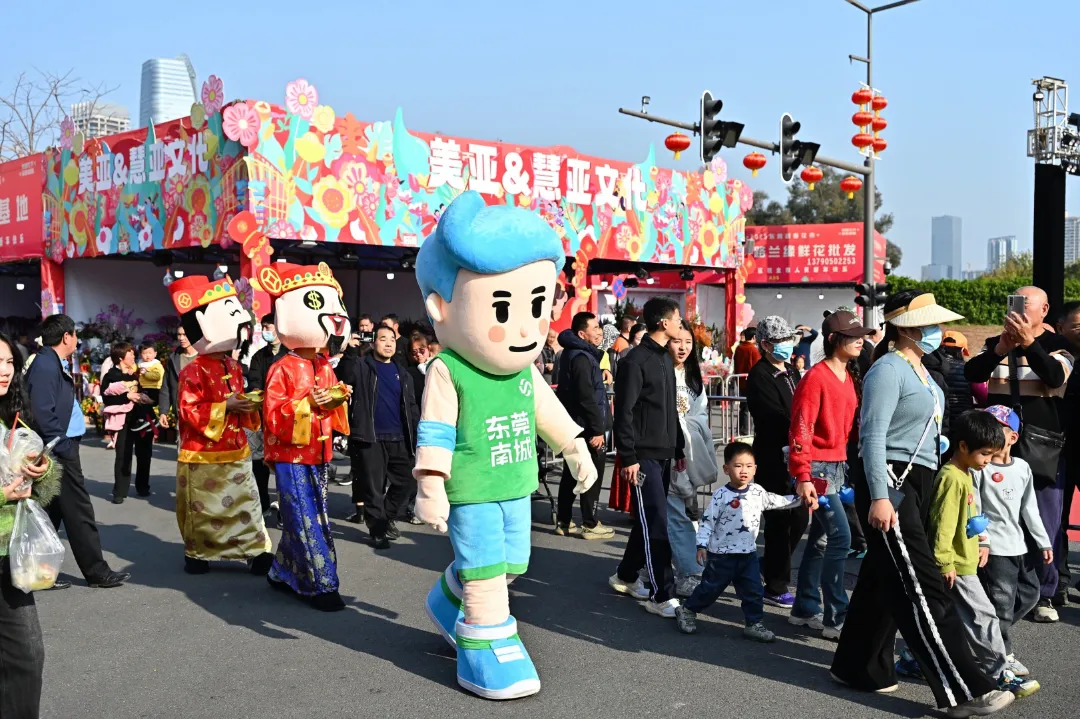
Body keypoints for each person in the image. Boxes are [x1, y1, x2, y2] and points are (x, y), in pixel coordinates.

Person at [411, 191, 597, 699]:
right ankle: (485, 641)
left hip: (516, 483)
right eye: (501, 307)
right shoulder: (449, 369)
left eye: (536, 305)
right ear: (441, 306)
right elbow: (435, 429)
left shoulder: (522, 370)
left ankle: (450, 598)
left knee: (513, 563)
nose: (523, 326)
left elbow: (547, 411)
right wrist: (430, 485)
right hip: (472, 489)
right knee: (487, 572)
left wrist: (574, 446)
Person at [831, 291, 1013, 717]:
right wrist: (879, 496)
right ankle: (966, 690)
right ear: (907, 328)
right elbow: (872, 436)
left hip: (919, 480)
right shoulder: (887, 369)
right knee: (923, 586)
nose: (936, 331)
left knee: (882, 579)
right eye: (929, 324)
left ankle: (857, 666)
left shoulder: (923, 371)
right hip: (893, 482)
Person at [963, 286, 1072, 621]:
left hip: (1043, 446)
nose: (1020, 311)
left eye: (1027, 305)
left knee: (1044, 517)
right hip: (997, 446)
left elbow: (1054, 376)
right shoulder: (996, 343)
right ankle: (999, 587)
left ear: (1044, 310)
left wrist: (1029, 344)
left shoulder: (1060, 346)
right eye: (1015, 304)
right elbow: (972, 374)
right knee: (996, 513)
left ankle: (1044, 594)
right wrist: (1000, 349)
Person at [928, 410, 1039, 698]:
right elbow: (942, 524)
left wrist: (979, 538)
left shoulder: (966, 473)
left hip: (963, 560)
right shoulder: (952, 477)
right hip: (956, 564)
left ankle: (914, 660)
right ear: (963, 446)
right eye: (985, 454)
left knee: (954, 618)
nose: (988, 460)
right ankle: (999, 674)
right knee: (984, 616)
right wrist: (945, 561)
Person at [167, 275, 273, 576]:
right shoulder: (192, 370)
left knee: (245, 504)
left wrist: (247, 406)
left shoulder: (234, 366)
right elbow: (188, 410)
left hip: (236, 448)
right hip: (202, 452)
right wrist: (226, 406)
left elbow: (236, 404)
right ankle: (198, 552)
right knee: (203, 509)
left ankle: (254, 550)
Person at [261, 261, 351, 612]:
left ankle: (282, 570)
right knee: (304, 517)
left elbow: (329, 403)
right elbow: (273, 414)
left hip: (320, 452)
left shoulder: (324, 365)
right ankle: (321, 584)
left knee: (311, 514)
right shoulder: (281, 367)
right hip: (292, 456)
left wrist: (337, 397)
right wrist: (307, 403)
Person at [26, 314, 129, 590]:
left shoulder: (52, 361)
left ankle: (37, 572)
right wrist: (62, 445)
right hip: (59, 449)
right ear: (66, 337)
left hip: (60, 445)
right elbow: (42, 411)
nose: (77, 340)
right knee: (79, 510)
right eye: (75, 335)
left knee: (50, 513)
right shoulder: (45, 365)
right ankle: (97, 572)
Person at [787, 310, 873, 640]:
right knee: (841, 538)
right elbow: (801, 427)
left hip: (837, 466)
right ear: (835, 339)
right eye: (854, 336)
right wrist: (802, 475)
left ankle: (805, 608)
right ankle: (836, 615)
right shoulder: (816, 377)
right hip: (817, 468)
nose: (861, 341)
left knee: (822, 539)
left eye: (862, 335)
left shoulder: (849, 376)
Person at [674, 442, 804, 642]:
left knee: (753, 591)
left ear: (755, 469)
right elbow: (707, 522)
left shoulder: (757, 492)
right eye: (738, 465)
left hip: (748, 555)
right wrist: (701, 545)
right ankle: (687, 610)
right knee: (709, 590)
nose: (744, 470)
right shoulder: (721, 495)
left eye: (749, 466)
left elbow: (777, 500)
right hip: (721, 557)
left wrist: (801, 498)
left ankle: (754, 623)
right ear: (726, 469)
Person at [608, 296, 686, 619]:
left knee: (649, 519)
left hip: (664, 453)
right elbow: (623, 413)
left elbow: (669, 409)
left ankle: (626, 575)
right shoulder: (634, 361)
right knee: (656, 522)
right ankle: (661, 594)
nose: (681, 324)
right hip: (642, 456)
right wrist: (628, 457)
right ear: (664, 323)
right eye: (678, 319)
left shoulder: (665, 358)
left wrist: (678, 447)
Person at [0, 332, 61, 718]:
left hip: (9, 555)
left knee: (27, 655)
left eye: (9, 362)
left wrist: (42, 470)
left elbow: (46, 490)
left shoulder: (11, 420)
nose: (5, 371)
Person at [974, 405, 1053, 679]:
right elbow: (975, 509)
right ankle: (1001, 655)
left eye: (996, 428)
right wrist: (982, 541)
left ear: (1013, 437)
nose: (989, 433)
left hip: (1020, 546)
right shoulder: (979, 468)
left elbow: (1030, 508)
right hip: (995, 549)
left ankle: (987, 635)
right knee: (1002, 603)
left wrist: (1043, 542)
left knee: (1030, 595)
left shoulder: (1022, 468)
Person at [336, 325, 420, 548]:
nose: (388, 343)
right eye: (383, 339)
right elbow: (344, 376)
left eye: (392, 339)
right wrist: (350, 351)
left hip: (399, 437)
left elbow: (411, 406)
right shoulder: (362, 366)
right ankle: (377, 531)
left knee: (407, 480)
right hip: (370, 437)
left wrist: (416, 433)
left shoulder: (402, 373)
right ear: (373, 343)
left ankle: (386, 517)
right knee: (373, 488)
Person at [745, 316, 804, 607]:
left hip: (798, 452)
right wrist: (799, 427)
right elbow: (772, 416)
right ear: (766, 345)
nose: (787, 345)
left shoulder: (791, 370)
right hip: (773, 455)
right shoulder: (759, 375)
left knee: (800, 517)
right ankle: (775, 584)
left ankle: (770, 566)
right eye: (781, 340)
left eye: (789, 339)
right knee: (780, 521)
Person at [666, 319, 717, 597]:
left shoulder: (692, 376)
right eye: (677, 341)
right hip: (667, 452)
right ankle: (690, 571)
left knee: (683, 509)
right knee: (676, 512)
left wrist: (690, 428)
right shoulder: (660, 371)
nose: (683, 347)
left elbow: (701, 412)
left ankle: (640, 568)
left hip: (689, 452)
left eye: (688, 342)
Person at [554, 312, 614, 540]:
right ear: (582, 333)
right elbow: (586, 397)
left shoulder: (574, 353)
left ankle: (564, 521)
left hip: (575, 424)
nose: (599, 331)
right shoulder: (581, 357)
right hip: (586, 427)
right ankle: (590, 523)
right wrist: (597, 429)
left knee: (572, 472)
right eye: (595, 327)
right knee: (591, 473)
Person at [244, 314, 287, 515]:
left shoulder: (290, 354)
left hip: (285, 418)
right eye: (264, 327)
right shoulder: (259, 357)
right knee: (259, 463)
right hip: (262, 416)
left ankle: (284, 505)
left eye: (268, 326)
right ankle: (262, 502)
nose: (266, 331)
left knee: (283, 465)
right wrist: (258, 395)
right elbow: (254, 383)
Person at [102, 343, 154, 503]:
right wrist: (127, 396)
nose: (133, 356)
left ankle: (143, 486)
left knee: (144, 453)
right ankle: (120, 491)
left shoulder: (137, 373)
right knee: (123, 454)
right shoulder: (111, 376)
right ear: (120, 358)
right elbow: (106, 398)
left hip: (141, 417)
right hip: (123, 420)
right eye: (130, 354)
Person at [159, 324, 200, 430]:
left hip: (202, 414)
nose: (181, 338)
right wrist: (163, 411)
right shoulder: (173, 358)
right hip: (180, 413)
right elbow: (166, 386)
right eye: (179, 334)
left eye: (185, 335)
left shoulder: (204, 357)